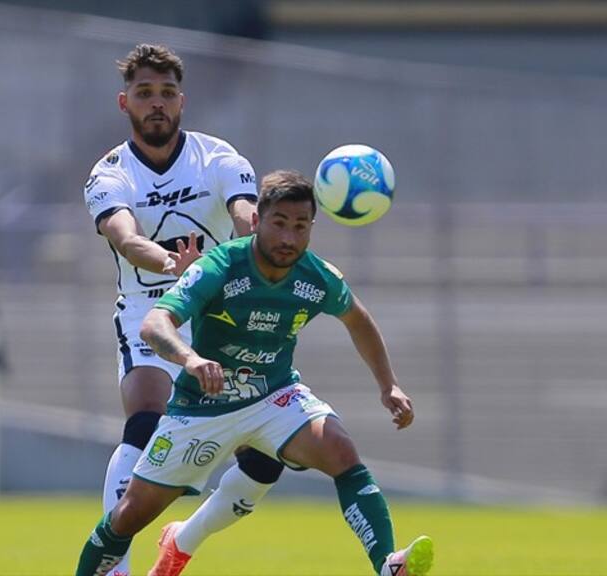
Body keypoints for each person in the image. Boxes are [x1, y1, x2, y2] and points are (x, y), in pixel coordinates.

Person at [75, 170, 434, 576]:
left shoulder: (317, 277)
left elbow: (359, 320)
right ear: (257, 220)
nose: (288, 239)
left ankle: (387, 564)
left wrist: (389, 386)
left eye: (300, 227)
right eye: (279, 224)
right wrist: (190, 360)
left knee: (339, 449)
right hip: (201, 410)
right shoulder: (220, 265)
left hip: (274, 397)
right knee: (128, 516)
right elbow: (154, 324)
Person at [81, 44, 284, 576]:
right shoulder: (109, 173)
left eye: (167, 94)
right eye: (145, 94)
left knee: (267, 457)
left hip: (220, 313)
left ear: (182, 101)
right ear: (125, 102)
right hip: (150, 309)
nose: (157, 104)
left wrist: (255, 248)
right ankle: (114, 567)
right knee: (145, 423)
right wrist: (172, 263)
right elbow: (126, 238)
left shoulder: (218, 157)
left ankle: (182, 542)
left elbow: (246, 215)